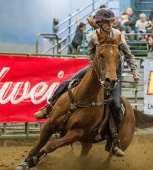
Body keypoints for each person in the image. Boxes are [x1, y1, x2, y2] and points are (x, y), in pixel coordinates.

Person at [35, 8, 140, 157]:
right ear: (100, 23)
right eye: (106, 22)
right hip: (95, 69)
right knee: (68, 82)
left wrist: (135, 72)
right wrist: (94, 68)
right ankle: (49, 107)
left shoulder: (118, 36)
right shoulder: (92, 36)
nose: (109, 24)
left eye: (111, 21)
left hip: (114, 73)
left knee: (116, 104)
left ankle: (114, 139)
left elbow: (129, 56)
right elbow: (91, 54)